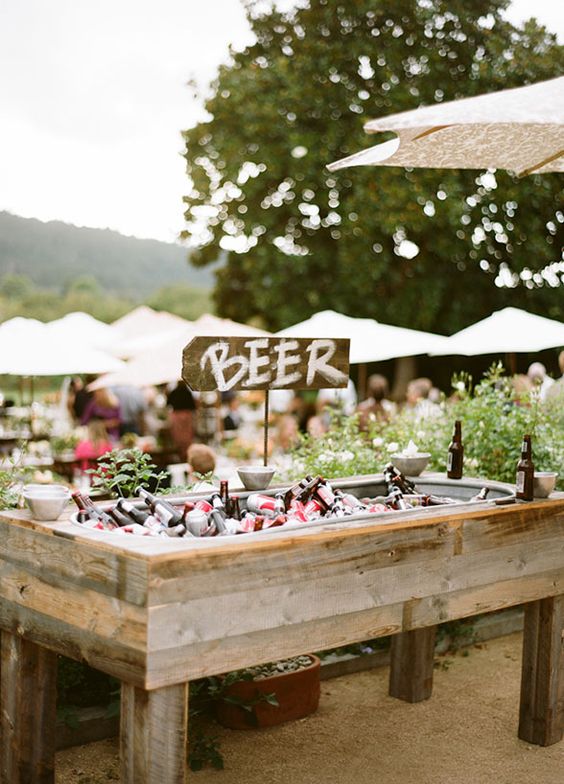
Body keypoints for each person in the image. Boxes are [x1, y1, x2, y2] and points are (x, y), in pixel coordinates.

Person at [167, 381, 196, 457]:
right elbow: (193, 406)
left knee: (179, 436)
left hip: (177, 416)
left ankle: (182, 454)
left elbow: (168, 404)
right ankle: (186, 454)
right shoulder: (187, 392)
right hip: (186, 415)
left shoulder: (174, 392)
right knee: (186, 437)